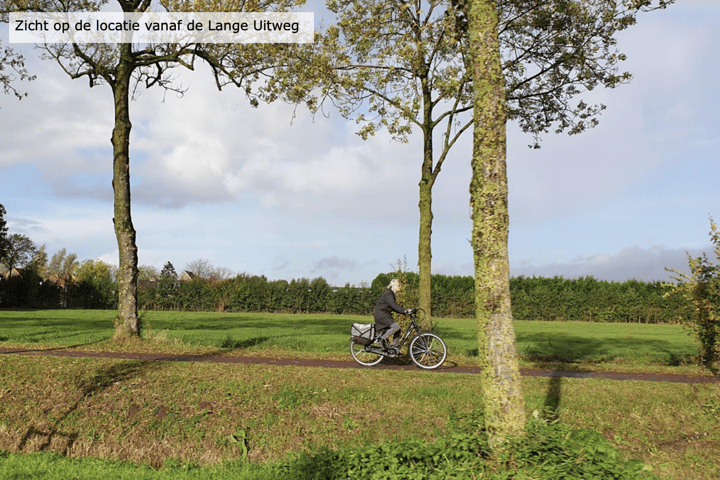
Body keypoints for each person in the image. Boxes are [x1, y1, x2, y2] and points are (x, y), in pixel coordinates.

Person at [373, 279, 413, 349]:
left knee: (398, 329)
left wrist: (405, 311)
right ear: (393, 285)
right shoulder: (388, 293)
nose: (400, 286)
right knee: (396, 327)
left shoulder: (391, 294)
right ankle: (380, 339)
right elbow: (394, 305)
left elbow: (394, 307)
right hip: (381, 315)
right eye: (398, 285)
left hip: (384, 315)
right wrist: (404, 311)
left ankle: (394, 347)